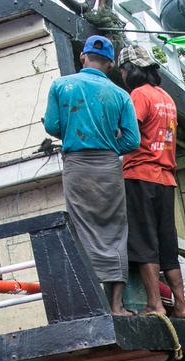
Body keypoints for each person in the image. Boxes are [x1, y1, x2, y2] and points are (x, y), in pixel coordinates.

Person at [43, 35, 140, 315]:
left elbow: (52, 126)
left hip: (77, 166)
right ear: (110, 64)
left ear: (83, 57)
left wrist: (76, 130)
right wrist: (110, 146)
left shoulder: (62, 85)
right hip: (109, 167)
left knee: (81, 229)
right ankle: (117, 306)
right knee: (114, 231)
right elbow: (132, 142)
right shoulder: (121, 95)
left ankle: (90, 304)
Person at [117, 45, 185, 318]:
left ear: (131, 70)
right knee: (167, 242)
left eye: (123, 71)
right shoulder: (166, 98)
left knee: (145, 242)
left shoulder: (139, 95)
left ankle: (155, 304)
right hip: (166, 179)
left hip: (140, 175)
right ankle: (182, 305)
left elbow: (129, 134)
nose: (123, 75)